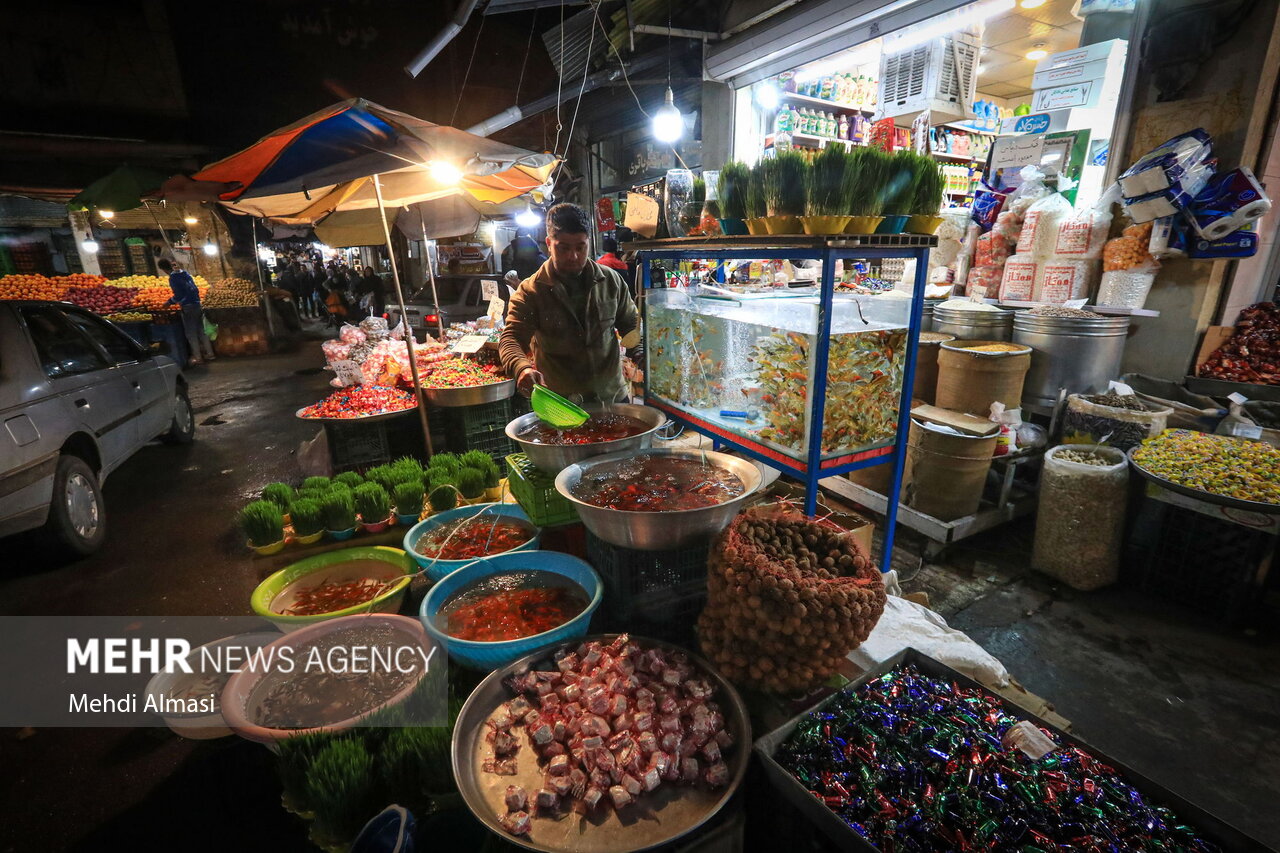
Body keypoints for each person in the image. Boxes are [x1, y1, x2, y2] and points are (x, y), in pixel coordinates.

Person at [499, 203, 640, 403]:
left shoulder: (611, 281)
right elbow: (511, 339)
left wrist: (642, 351)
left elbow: (630, 324)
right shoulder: (531, 291)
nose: (573, 256)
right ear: (549, 243)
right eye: (563, 248)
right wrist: (522, 367)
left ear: (589, 243)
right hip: (561, 406)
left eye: (580, 247)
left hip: (612, 398)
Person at [160, 258, 216, 366]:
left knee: (191, 333)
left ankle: (198, 358)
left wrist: (169, 302)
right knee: (201, 330)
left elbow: (179, 295)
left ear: (163, 269)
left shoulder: (173, 278)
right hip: (197, 304)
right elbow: (194, 289)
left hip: (188, 307)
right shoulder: (185, 274)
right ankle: (210, 354)